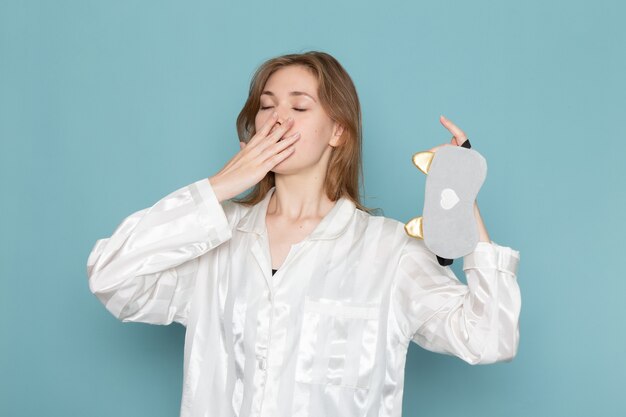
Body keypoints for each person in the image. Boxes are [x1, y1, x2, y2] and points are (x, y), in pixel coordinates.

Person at [86, 51, 521, 417]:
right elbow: (112, 277)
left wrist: (459, 197)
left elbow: (488, 338)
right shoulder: (214, 239)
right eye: (266, 106)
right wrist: (220, 186)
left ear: (338, 131)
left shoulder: (390, 252)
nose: (277, 120)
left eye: (298, 107)